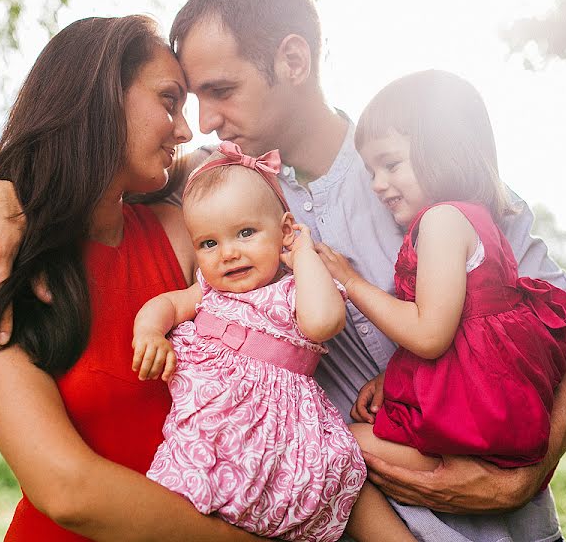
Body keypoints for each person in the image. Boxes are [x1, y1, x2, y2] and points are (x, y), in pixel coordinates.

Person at [0, 0, 566, 541]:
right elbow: (90, 168)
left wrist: (522, 473)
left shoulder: (423, 173)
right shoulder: (221, 205)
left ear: (292, 60)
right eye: (186, 97)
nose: (197, 122)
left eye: (217, 92)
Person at [0, 14, 267, 541]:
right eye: (168, 101)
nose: (185, 129)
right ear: (98, 95)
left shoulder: (184, 231)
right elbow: (66, 490)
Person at [133, 141, 412, 542]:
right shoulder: (207, 292)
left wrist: (302, 254)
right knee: (185, 500)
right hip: (215, 437)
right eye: (208, 243)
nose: (228, 253)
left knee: (344, 484)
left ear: (284, 231)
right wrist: (149, 331)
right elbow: (167, 304)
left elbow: (323, 322)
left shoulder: (296, 289)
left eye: (245, 233)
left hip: (290, 430)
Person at [315, 70, 566, 488]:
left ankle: (450, 485)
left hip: (482, 410)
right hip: (489, 395)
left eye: (391, 164)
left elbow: (429, 334)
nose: (378, 184)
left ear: (442, 151)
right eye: (370, 171)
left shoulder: (441, 221)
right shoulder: (473, 216)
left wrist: (350, 280)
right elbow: (463, 330)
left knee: (341, 445)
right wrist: (395, 379)